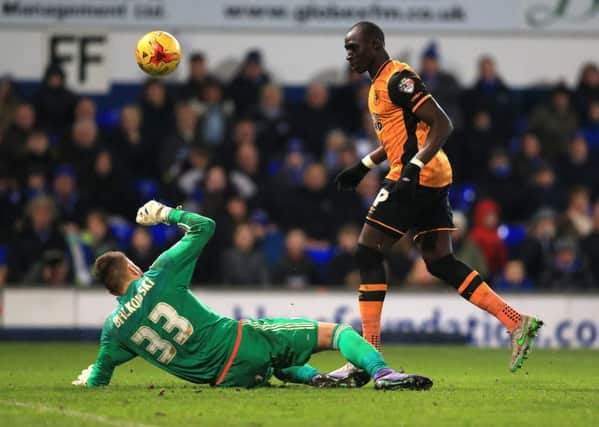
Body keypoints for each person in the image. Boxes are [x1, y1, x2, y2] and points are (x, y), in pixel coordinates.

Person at [332, 22, 541, 381]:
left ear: (376, 44)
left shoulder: (398, 79)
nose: (349, 54)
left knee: (367, 250)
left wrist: (412, 168)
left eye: (354, 47)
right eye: (346, 48)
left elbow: (443, 124)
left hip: (419, 176)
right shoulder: (377, 85)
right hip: (432, 175)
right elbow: (403, 136)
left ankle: (368, 357)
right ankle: (516, 322)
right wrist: (364, 165)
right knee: (440, 261)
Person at [71, 200, 432, 391]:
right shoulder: (159, 274)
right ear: (133, 269)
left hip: (228, 379)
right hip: (240, 342)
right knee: (339, 333)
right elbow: (205, 226)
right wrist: (166, 213)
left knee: (279, 362)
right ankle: (383, 373)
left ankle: (316, 378)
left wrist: (90, 379)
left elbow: (100, 377)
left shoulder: (114, 330)